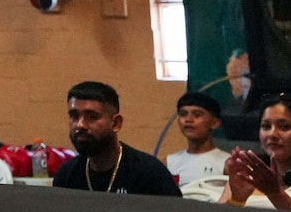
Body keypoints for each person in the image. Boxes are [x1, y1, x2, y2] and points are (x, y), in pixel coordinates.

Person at [52, 80, 180, 196]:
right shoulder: (66, 175)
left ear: (116, 123)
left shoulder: (149, 173)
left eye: (92, 117)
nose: (80, 125)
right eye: (74, 116)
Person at [219, 93, 291, 210]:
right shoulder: (245, 174)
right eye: (266, 126)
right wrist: (237, 199)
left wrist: (275, 194)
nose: (272, 134)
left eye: (284, 127)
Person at [167, 91, 229, 186]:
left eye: (197, 114)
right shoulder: (169, 162)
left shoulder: (227, 163)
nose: (188, 119)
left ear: (214, 123)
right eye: (183, 114)